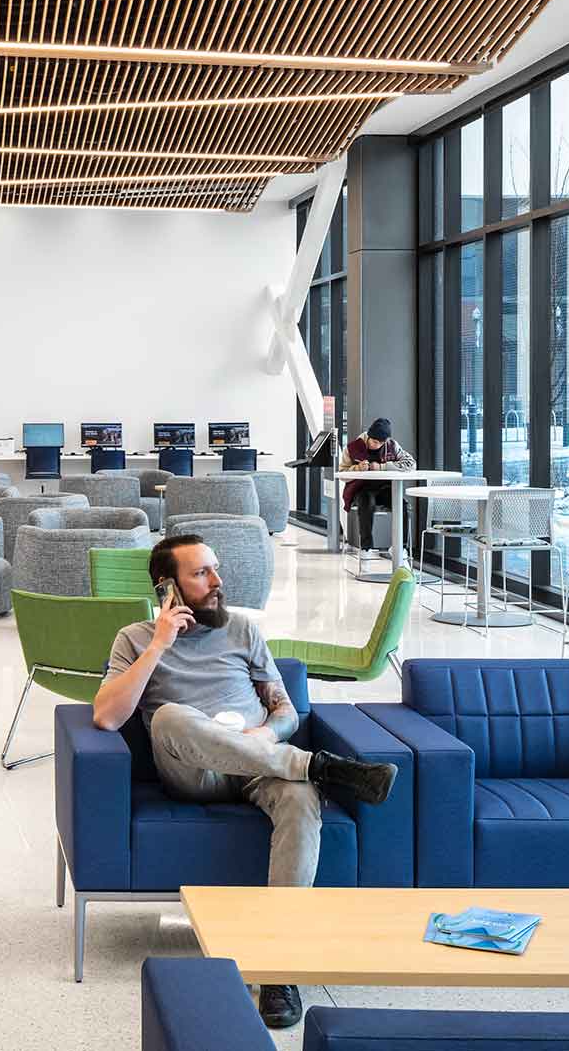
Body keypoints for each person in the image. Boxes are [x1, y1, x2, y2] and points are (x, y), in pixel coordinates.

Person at [93, 535, 396, 1029]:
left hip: (262, 766)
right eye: (201, 574)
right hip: (195, 771)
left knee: (300, 798)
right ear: (167, 587)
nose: (217, 581)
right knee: (169, 716)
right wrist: (159, 646)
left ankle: (277, 970)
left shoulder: (242, 630)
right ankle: (318, 765)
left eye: (215, 569)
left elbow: (285, 711)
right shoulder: (134, 638)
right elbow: (106, 717)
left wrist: (265, 734)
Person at [341, 418, 414, 553]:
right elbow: (342, 475)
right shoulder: (352, 448)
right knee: (366, 502)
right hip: (361, 490)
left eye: (382, 443)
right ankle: (366, 548)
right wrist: (357, 468)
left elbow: (411, 464)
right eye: (375, 442)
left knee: (402, 505)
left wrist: (382, 467)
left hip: (384, 489)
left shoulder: (392, 445)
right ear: (369, 436)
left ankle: (401, 548)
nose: (378, 445)